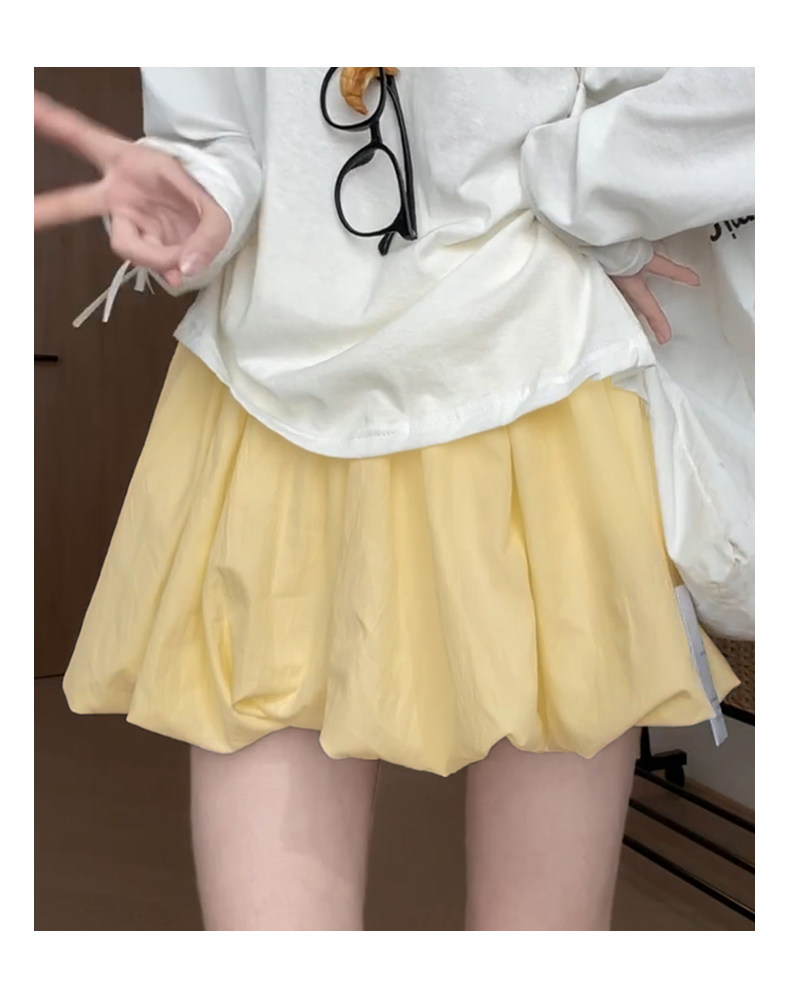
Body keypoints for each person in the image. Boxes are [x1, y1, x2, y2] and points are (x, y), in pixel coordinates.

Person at [33, 67, 753, 931]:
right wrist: (203, 189)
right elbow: (213, 125)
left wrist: (589, 183)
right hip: (273, 393)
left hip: (539, 381)